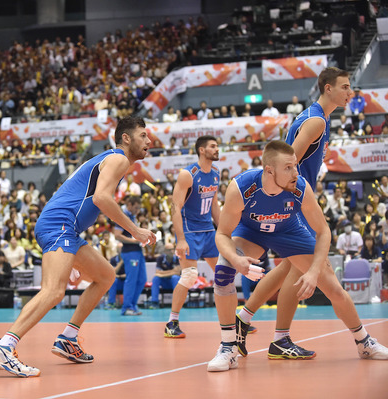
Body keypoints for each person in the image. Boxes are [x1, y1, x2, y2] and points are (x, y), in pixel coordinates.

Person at [0, 116, 156, 377]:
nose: (149, 140)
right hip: (59, 225)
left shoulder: (109, 159)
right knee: (54, 291)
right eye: (143, 135)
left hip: (68, 229)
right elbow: (101, 199)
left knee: (106, 276)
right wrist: (135, 230)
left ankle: (68, 338)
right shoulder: (119, 159)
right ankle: (4, 347)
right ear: (126, 138)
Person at [207, 141, 388, 372]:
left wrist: (312, 272)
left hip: (288, 231)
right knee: (223, 271)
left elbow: (324, 232)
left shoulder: (300, 187)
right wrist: (235, 258)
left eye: (295, 166)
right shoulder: (242, 187)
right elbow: (222, 234)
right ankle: (228, 347)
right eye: (289, 167)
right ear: (269, 170)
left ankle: (364, 342)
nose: (295, 172)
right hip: (251, 232)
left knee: (333, 288)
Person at [235, 67, 355, 360]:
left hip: (296, 198)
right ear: (328, 89)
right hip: (294, 201)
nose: (350, 93)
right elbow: (290, 163)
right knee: (306, 266)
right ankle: (277, 336)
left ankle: (248, 319)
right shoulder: (316, 122)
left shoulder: (314, 116)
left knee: (289, 267)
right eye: (345, 87)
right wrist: (293, 202)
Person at [164, 135, 220, 338]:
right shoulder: (188, 174)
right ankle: (172, 322)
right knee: (189, 276)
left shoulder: (215, 173)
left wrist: (223, 232)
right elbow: (175, 207)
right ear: (202, 150)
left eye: (217, 146)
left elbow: (214, 205)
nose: (217, 149)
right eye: (213, 146)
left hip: (208, 231)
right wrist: (180, 238)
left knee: (223, 273)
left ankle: (234, 319)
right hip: (189, 231)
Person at [114, 195, 146, 316]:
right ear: (129, 205)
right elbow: (117, 235)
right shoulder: (123, 215)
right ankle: (127, 307)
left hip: (138, 251)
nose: (137, 211)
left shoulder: (133, 216)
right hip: (129, 252)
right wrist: (134, 241)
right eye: (136, 208)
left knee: (142, 279)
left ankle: (132, 305)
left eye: (139, 208)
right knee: (131, 280)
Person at [150, 243, 181, 308]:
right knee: (156, 279)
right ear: (165, 251)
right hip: (165, 283)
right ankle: (154, 302)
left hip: (175, 283)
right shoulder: (160, 258)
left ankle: (177, 303)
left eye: (173, 249)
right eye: (169, 250)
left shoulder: (178, 258)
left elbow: (178, 272)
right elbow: (157, 272)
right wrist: (173, 271)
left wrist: (162, 274)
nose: (172, 251)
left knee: (175, 277)